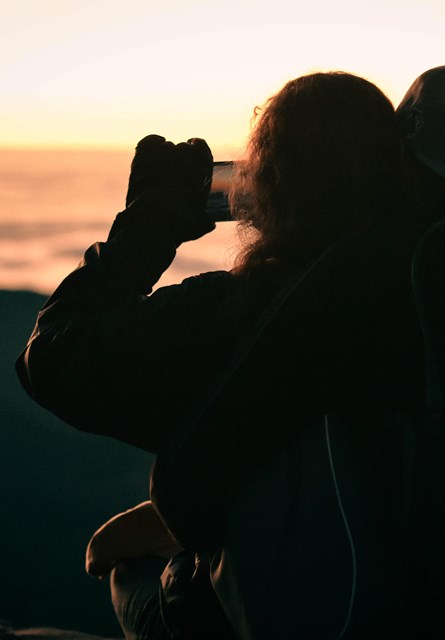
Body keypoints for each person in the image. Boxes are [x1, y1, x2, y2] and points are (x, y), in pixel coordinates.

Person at [149, 64, 445, 637]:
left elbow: (186, 486)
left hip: (442, 610)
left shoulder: (377, 265)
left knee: (151, 582)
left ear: (402, 154)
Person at [15, 71, 404, 639]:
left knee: (131, 575)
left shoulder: (244, 311)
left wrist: (151, 222)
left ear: (269, 182)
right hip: (420, 592)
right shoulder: (430, 284)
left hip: (289, 617)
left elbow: (51, 359)